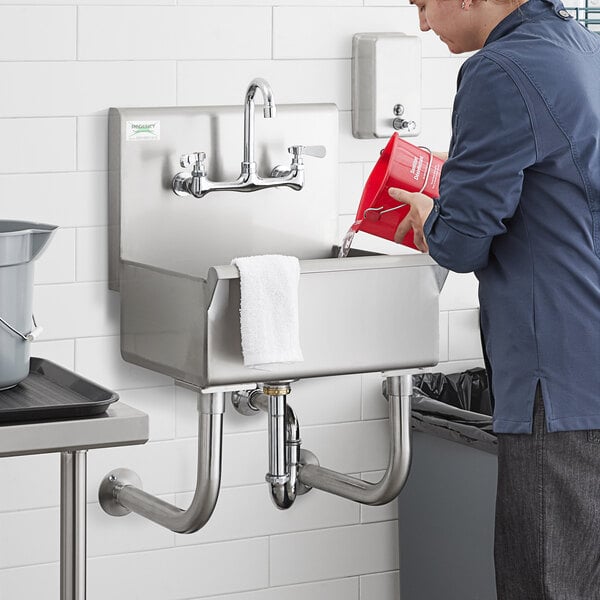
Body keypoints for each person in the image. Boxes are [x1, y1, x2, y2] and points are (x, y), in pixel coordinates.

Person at [390, 0, 600, 598]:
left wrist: (434, 215)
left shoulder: (501, 69)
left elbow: (460, 243)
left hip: (558, 380)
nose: (424, 24)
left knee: (547, 582)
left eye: (424, 4)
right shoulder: (582, 49)